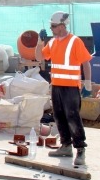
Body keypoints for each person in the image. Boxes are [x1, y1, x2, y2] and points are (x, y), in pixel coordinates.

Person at [35, 11, 92, 166]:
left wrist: (87, 83)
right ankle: (66, 146)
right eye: (51, 26)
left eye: (53, 25)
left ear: (62, 25)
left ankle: (80, 149)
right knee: (59, 116)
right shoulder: (52, 42)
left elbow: (86, 62)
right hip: (57, 86)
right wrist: (40, 42)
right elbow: (40, 58)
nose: (51, 28)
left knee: (73, 117)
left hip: (71, 87)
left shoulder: (75, 41)